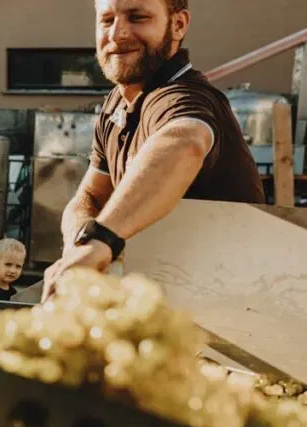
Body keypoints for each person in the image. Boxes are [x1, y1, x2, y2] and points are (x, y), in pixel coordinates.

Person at [43, 0, 265, 301]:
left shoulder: (182, 96)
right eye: (107, 20)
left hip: (232, 315)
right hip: (163, 303)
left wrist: (103, 241)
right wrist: (79, 249)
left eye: (137, 17)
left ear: (178, 24)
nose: (118, 34)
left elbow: (184, 143)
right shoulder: (116, 103)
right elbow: (91, 196)